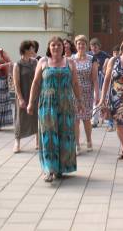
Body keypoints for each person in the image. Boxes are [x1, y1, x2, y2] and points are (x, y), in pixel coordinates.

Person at [27, 36, 84, 182]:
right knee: (49, 136)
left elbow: (76, 83)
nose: (56, 48)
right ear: (49, 47)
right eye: (53, 45)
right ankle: (49, 170)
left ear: (63, 47)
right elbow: (35, 83)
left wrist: (79, 101)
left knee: (65, 135)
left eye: (59, 45)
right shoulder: (43, 61)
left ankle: (61, 168)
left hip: (66, 103)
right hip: (47, 103)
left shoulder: (70, 62)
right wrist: (30, 103)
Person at [72, 35, 99, 155]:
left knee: (87, 118)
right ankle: (76, 144)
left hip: (87, 92)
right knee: (75, 119)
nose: (81, 46)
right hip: (74, 92)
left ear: (86, 45)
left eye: (83, 43)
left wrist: (97, 94)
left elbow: (95, 79)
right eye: (79, 44)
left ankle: (89, 140)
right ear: (76, 45)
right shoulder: (71, 59)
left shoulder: (92, 59)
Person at [12, 40, 38, 153]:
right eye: (32, 48)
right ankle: (17, 142)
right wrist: (20, 98)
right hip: (23, 94)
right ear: (26, 50)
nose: (34, 50)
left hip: (35, 94)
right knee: (20, 118)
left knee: (37, 116)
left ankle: (38, 142)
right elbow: (16, 83)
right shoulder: (17, 64)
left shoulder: (35, 62)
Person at [88, 38, 110, 128]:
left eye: (96, 46)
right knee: (93, 100)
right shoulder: (88, 55)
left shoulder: (104, 55)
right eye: (92, 46)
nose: (94, 48)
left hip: (100, 81)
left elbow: (109, 64)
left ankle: (95, 120)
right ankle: (95, 118)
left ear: (99, 47)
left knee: (97, 100)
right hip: (89, 80)